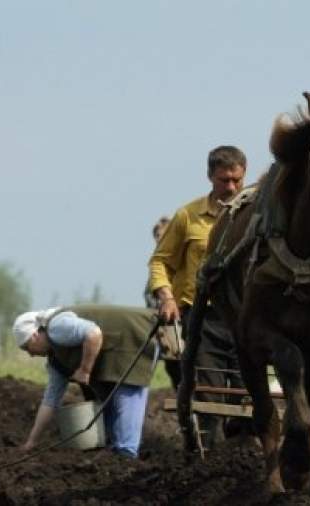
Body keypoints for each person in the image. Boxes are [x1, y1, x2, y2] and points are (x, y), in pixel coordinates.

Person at [147, 145, 247, 446]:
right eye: (224, 180)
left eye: (237, 180)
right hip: (202, 319)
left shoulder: (255, 216)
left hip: (246, 319)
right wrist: (167, 298)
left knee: (248, 398)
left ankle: (245, 459)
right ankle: (208, 458)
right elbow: (160, 261)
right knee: (210, 397)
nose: (231, 187)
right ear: (210, 177)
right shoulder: (188, 216)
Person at [13, 304, 159, 458]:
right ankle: (115, 451)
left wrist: (84, 370)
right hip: (115, 350)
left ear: (35, 335)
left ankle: (126, 454)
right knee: (107, 400)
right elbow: (50, 402)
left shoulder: (56, 327)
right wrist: (32, 441)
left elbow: (93, 334)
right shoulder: (56, 361)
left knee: (126, 393)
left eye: (27, 348)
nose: (30, 354)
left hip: (133, 337)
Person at [144, 216, 171, 309]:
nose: (158, 239)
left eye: (161, 236)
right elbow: (148, 294)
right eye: (156, 236)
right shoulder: (156, 263)